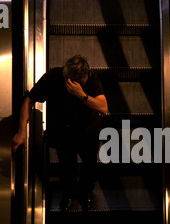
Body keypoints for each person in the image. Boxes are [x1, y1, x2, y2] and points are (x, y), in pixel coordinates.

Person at [12, 55, 108, 211]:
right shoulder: (52, 77)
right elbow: (29, 100)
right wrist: (21, 131)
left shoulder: (91, 78)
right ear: (66, 76)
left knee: (90, 166)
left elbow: (103, 108)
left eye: (84, 81)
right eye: (78, 82)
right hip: (64, 133)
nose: (83, 83)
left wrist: (81, 94)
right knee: (67, 166)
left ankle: (85, 192)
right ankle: (69, 193)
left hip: (88, 132)